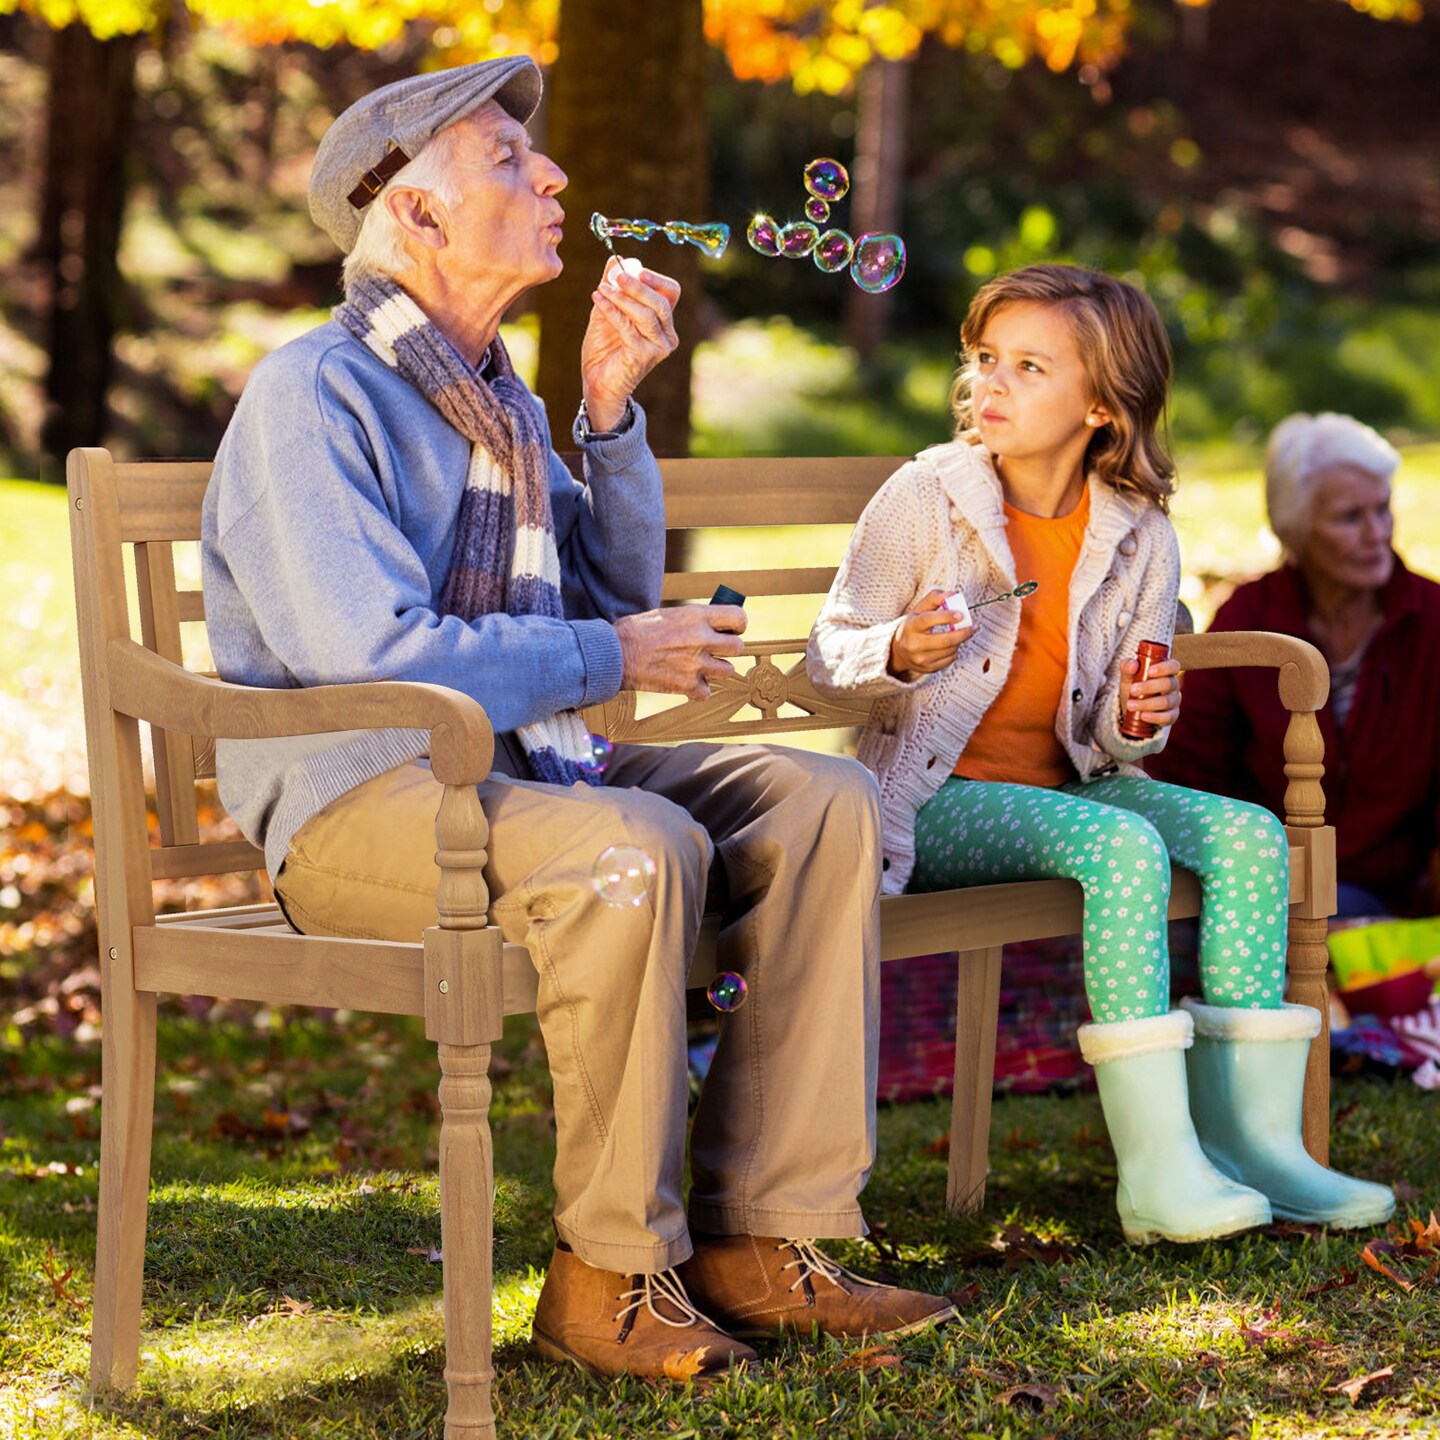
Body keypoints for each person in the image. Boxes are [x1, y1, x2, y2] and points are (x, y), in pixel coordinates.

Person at [200, 56, 954, 1381]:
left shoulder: (494, 399)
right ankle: (605, 1277)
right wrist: (611, 649)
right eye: (506, 159)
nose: (552, 174)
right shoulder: (314, 395)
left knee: (819, 802)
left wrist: (605, 414)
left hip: (524, 779)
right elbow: (371, 655)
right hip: (358, 803)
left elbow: (606, 595)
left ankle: (762, 1242)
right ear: (414, 214)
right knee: (630, 844)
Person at [807, 264, 1393, 1244]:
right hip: (935, 798)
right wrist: (898, 649)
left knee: (1249, 838)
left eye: (1029, 367)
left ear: (1102, 409)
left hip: (1073, 789)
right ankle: (1158, 1172)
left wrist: (1138, 713)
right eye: (985, 359)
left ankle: (1255, 1146)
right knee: (1123, 853)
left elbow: (1126, 734)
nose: (990, 384)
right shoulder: (927, 495)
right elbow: (833, 651)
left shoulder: (1141, 534)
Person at [1148, 412, 1440, 920]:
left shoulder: (1432, 618)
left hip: (1400, 897)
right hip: (1267, 886)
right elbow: (1186, 771)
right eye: (1351, 517)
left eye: (1383, 509)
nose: (1378, 534)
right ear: (1297, 529)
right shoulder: (1250, 621)